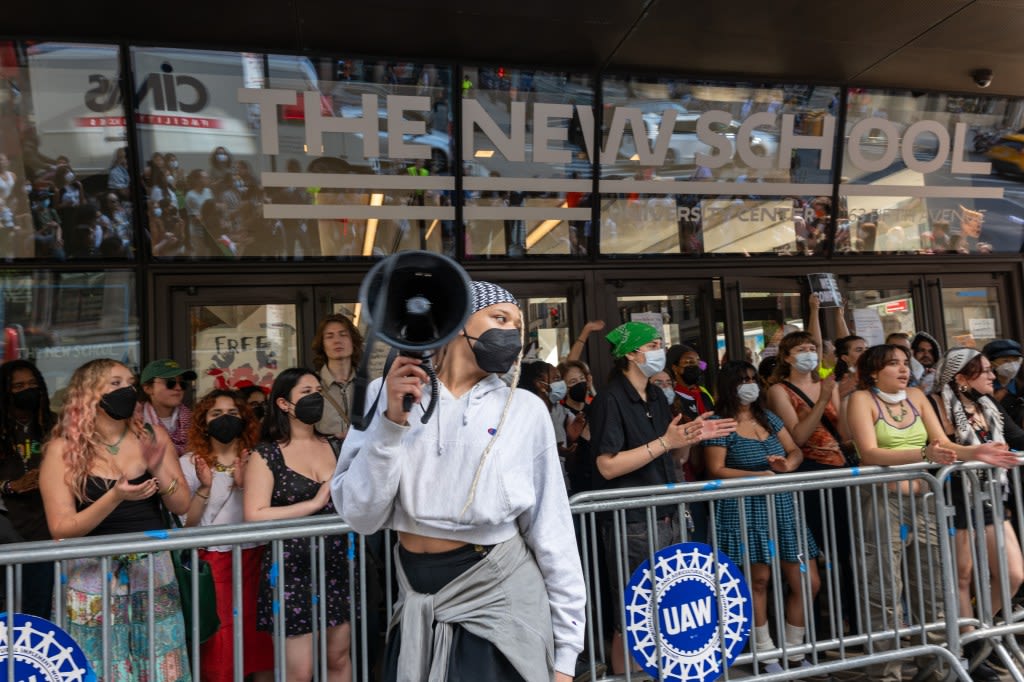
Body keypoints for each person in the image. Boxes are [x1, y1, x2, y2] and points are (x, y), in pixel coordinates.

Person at [333, 281, 585, 682]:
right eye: (499, 318)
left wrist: (567, 652)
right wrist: (391, 425)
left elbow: (551, 528)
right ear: (455, 322)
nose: (511, 334)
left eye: (517, 326)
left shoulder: (524, 410)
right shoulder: (388, 393)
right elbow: (361, 516)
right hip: (418, 600)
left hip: (500, 597)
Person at [846, 344, 1016, 682]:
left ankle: (937, 670)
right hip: (882, 502)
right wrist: (926, 453)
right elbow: (869, 453)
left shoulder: (916, 397)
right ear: (873, 371)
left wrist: (976, 451)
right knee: (884, 591)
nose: (902, 368)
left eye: (903, 363)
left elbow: (943, 444)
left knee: (933, 588)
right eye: (892, 364)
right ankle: (887, 674)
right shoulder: (861, 399)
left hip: (924, 501)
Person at [588, 321, 733, 673]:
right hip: (632, 521)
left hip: (668, 514)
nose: (660, 351)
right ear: (631, 354)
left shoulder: (655, 394)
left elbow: (671, 456)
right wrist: (667, 442)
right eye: (653, 344)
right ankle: (628, 675)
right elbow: (607, 466)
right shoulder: (610, 399)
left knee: (671, 610)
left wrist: (688, 439)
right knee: (634, 614)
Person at [38, 358, 193, 680]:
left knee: (160, 663)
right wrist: (115, 496)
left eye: (129, 383)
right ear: (89, 393)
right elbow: (62, 528)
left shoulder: (152, 435)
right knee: (99, 665)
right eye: (115, 383)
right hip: (90, 577)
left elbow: (182, 505)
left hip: (152, 569)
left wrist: (159, 467)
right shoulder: (61, 450)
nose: (127, 390)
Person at [705, 361, 821, 673]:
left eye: (754, 379)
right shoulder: (720, 423)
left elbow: (795, 450)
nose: (750, 385)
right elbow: (715, 469)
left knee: (807, 581)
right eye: (743, 380)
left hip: (782, 504)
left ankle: (795, 649)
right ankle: (764, 651)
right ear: (729, 385)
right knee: (758, 581)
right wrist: (754, 477)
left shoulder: (768, 417)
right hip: (744, 507)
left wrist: (788, 465)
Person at [244, 368, 351, 681]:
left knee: (338, 658)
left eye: (318, 390)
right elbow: (254, 513)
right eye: (306, 392)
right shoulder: (267, 454)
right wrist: (313, 505)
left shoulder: (336, 446)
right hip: (290, 570)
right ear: (284, 404)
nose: (316, 397)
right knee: (299, 672)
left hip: (336, 563)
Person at [931, 347, 1024, 682]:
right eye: (982, 370)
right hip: (956, 495)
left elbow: (1016, 438)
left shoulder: (989, 404)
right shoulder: (938, 404)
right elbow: (941, 445)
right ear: (960, 378)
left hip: (992, 497)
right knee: (963, 576)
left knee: (1013, 574)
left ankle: (981, 632)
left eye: (989, 369)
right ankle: (970, 648)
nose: (991, 375)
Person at [179, 388, 273, 682]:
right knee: (220, 648)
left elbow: (263, 512)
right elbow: (188, 524)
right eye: (216, 414)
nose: (225, 419)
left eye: (233, 413)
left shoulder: (259, 458)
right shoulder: (190, 463)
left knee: (261, 645)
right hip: (212, 563)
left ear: (244, 419)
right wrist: (206, 487)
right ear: (203, 422)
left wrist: (245, 483)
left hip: (255, 559)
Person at [0, 360, 56, 617]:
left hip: (46, 530)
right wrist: (11, 486)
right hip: (8, 531)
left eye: (33, 384)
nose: (27, 391)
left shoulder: (53, 425)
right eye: (19, 386)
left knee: (39, 612)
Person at [312, 313, 365, 441]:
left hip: (362, 459)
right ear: (322, 344)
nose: (337, 341)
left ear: (353, 341)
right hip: (324, 458)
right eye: (329, 336)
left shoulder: (368, 386)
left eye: (343, 334)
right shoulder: (311, 386)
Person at [138, 359, 197, 456]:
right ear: (148, 388)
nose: (178, 388)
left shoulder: (195, 421)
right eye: (170, 383)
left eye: (182, 383)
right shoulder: (135, 423)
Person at [983, 339, 1024, 427]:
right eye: (1006, 361)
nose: (1013, 365)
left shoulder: (1020, 387)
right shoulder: (985, 388)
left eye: (1016, 360)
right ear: (992, 363)